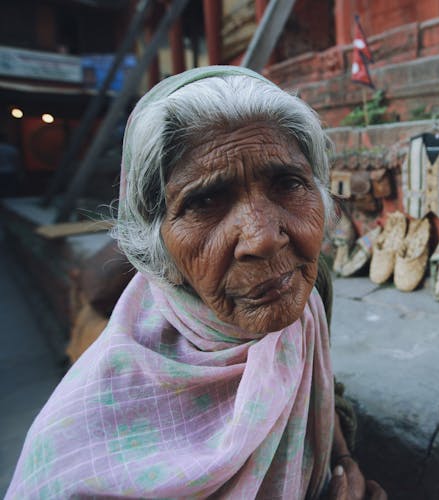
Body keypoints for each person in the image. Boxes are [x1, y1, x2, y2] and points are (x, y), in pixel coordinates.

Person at [7, 66, 386, 499]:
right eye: (205, 200)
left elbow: (318, 382)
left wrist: (342, 463)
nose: (262, 238)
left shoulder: (306, 297)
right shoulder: (74, 448)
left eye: (288, 183)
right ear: (156, 244)